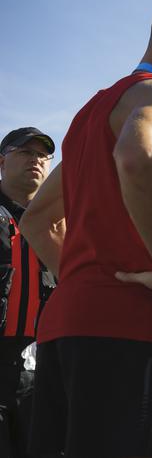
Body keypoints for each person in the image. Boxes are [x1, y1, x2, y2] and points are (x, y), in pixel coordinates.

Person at [19, 1, 152, 458]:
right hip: (125, 330)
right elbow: (136, 156)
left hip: (63, 329)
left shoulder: (91, 113)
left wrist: (83, 277)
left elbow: (35, 219)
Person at [0, 127, 58, 458]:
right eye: (25, 152)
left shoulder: (63, 221)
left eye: (42, 155)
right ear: (2, 162)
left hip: (46, 373)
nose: (35, 160)